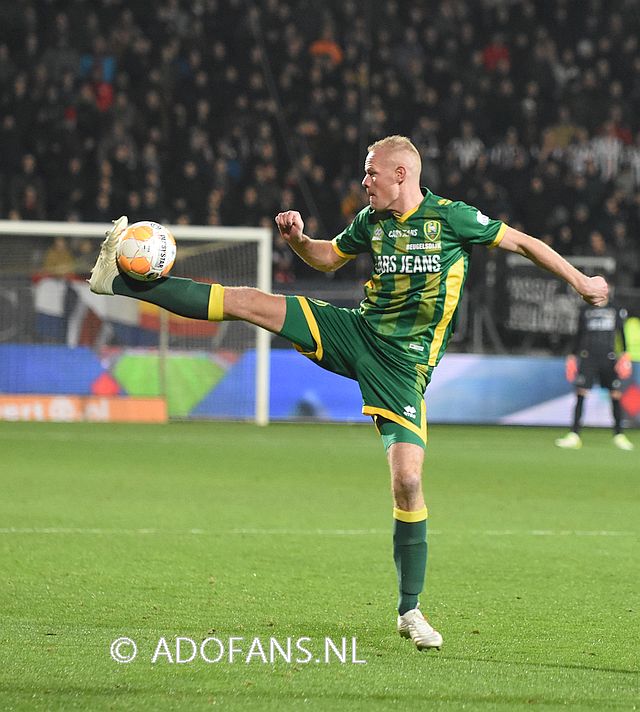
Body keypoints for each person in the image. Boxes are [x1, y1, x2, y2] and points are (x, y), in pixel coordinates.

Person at [89, 135, 609, 652]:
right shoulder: (371, 222)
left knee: (407, 481)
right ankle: (121, 282)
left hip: (404, 369)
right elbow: (327, 259)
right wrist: (298, 240)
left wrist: (580, 281)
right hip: (355, 334)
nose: (364, 182)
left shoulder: (452, 219)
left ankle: (410, 609)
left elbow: (524, 243)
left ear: (401, 174)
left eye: (371, 173)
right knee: (251, 302)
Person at [555, 298, 634, 451]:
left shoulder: (615, 308)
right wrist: (572, 355)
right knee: (581, 393)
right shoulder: (585, 310)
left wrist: (624, 354)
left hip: (609, 358)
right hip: (588, 357)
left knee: (615, 394)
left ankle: (619, 435)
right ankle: (574, 435)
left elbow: (621, 332)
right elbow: (578, 333)